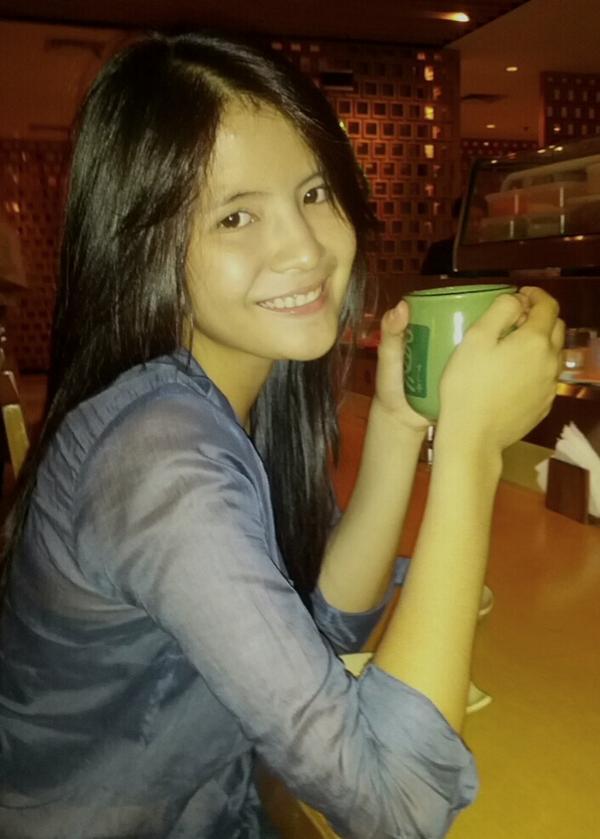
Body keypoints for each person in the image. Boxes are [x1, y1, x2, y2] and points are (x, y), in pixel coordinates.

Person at [0, 32, 564, 839]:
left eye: (313, 192)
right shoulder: (160, 457)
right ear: (145, 246)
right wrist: (471, 452)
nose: (304, 247)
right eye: (236, 215)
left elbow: (321, 626)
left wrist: (400, 423)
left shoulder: (232, 392)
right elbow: (394, 805)